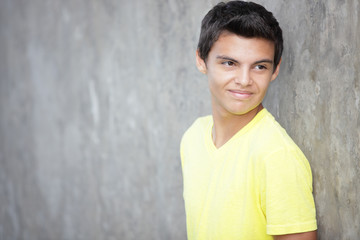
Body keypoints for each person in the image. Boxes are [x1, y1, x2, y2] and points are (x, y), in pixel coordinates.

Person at [180, 1, 317, 239]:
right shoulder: (193, 137)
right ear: (201, 60)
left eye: (259, 66)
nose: (244, 80)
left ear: (275, 70)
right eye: (229, 63)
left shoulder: (277, 156)